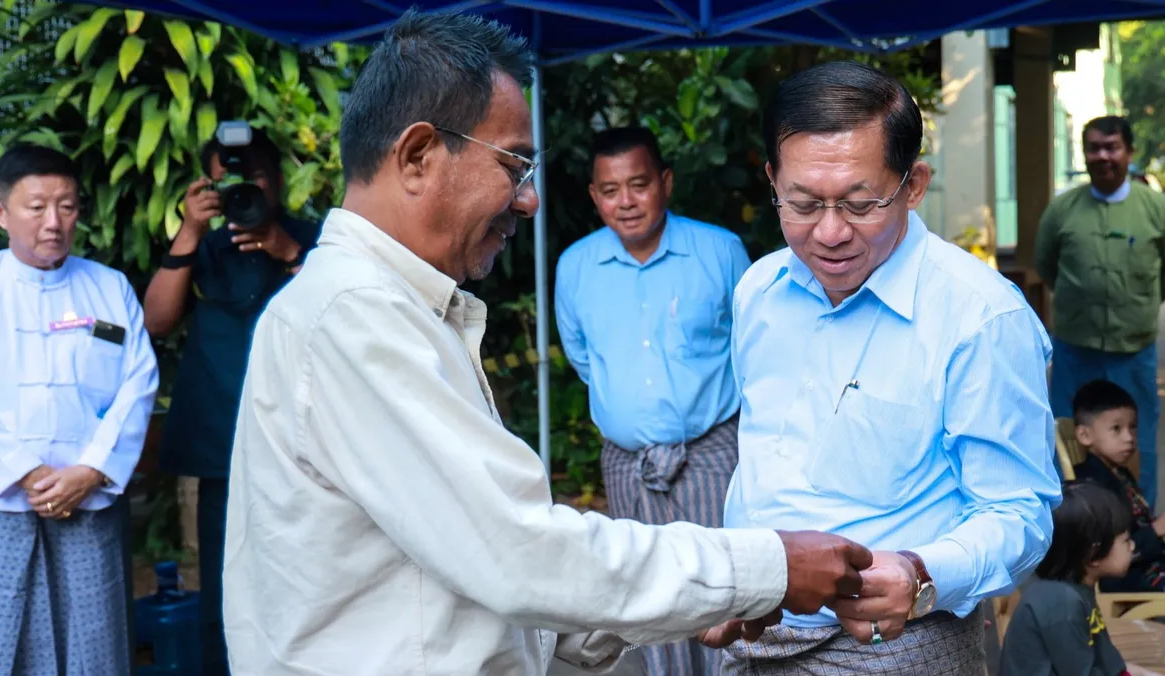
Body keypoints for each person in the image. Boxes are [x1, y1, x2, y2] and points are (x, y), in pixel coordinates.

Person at [222, 10, 875, 676]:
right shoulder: (354, 315)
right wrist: (767, 566)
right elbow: (517, 551)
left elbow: (476, 564)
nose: (529, 200)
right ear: (419, 157)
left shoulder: (394, 307)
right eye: (515, 165)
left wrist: (702, 600)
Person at [722, 60, 1063, 674]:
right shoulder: (759, 291)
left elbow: (1019, 513)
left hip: (897, 644)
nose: (830, 232)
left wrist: (919, 573)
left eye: (860, 204)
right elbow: (761, 465)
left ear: (914, 184)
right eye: (802, 203)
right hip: (752, 633)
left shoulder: (980, 318)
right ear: (772, 180)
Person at [555, 126, 752, 675]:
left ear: (665, 182)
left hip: (713, 454)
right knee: (649, 600)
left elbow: (752, 348)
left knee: (724, 589)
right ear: (594, 196)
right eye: (610, 190)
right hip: (627, 463)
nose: (626, 201)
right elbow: (583, 357)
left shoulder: (720, 252)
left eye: (638, 185)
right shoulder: (575, 266)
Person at [0, 144, 158, 675]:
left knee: (94, 645)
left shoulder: (108, 289)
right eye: (36, 207)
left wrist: (92, 469)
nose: (53, 222)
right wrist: (24, 472)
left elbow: (138, 382)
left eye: (67, 206)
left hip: (87, 499)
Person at [142, 132, 320, 675]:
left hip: (304, 443)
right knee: (225, 580)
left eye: (255, 177)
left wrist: (288, 252)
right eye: (230, 181)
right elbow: (156, 321)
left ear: (278, 180)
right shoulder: (201, 246)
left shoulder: (313, 239)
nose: (246, 190)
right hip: (221, 440)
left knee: (310, 577)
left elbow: (342, 314)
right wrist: (189, 231)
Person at [1035, 115, 1165, 509]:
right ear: (1085, 153)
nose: (1103, 156)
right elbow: (1046, 265)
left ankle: (1138, 520)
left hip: (1134, 349)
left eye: (1112, 147)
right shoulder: (1063, 210)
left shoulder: (1155, 208)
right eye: (1094, 148)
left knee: (1136, 438)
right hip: (1076, 348)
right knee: (1069, 435)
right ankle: (1074, 519)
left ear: (1129, 152)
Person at [998, 481, 1161, 676]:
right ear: (1093, 555)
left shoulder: (1079, 589)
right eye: (1126, 540)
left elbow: (1110, 665)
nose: (1133, 546)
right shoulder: (1060, 603)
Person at [1071, 380, 1165, 592]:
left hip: (1148, 562)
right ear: (1085, 435)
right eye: (1116, 429)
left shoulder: (1120, 473)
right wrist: (1156, 530)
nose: (1129, 437)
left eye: (1133, 427)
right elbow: (1106, 555)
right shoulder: (1090, 485)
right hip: (1128, 577)